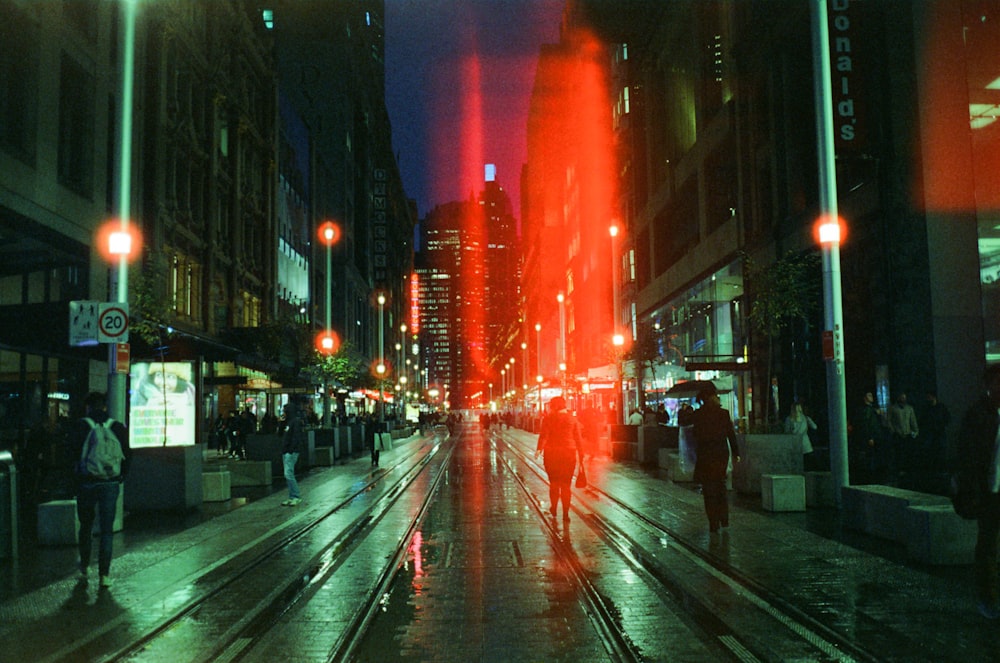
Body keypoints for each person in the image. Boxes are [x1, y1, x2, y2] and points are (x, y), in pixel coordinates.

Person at [72, 392, 130, 587]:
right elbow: (127, 455)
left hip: (86, 483)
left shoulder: (80, 426)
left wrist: (75, 479)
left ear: (88, 407)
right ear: (105, 406)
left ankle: (84, 568)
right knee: (106, 530)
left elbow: (71, 455)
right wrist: (121, 476)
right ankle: (104, 575)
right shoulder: (117, 427)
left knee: (86, 526)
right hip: (110, 483)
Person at [956, 365, 1000, 618]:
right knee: (988, 547)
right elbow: (967, 455)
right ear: (988, 385)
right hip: (990, 492)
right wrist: (970, 489)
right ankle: (988, 599)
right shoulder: (978, 415)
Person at [682, 385, 740, 533]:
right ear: (712, 397)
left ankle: (713, 523)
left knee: (709, 490)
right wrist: (736, 453)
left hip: (705, 455)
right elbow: (730, 435)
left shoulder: (699, 414)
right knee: (720, 487)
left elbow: (693, 434)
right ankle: (724, 519)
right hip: (720, 454)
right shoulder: (723, 414)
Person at [535, 396, 583, 523]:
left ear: (554, 406)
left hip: (552, 454)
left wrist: (539, 449)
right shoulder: (572, 419)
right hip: (569, 454)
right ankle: (566, 514)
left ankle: (554, 508)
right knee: (566, 485)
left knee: (554, 483)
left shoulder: (548, 418)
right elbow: (578, 438)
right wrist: (581, 455)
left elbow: (543, 435)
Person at [852, 391, 885, 483]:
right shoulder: (867, 410)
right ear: (864, 398)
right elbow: (867, 424)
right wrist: (870, 437)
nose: (872, 397)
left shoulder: (869, 410)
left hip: (874, 437)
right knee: (871, 458)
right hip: (872, 438)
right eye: (869, 395)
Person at [886, 392, 919, 482]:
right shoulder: (892, 408)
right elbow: (889, 421)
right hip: (898, 435)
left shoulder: (909, 408)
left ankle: (907, 471)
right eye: (901, 397)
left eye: (904, 397)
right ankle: (899, 472)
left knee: (907, 454)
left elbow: (913, 421)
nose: (903, 399)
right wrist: (893, 432)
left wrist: (915, 432)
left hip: (907, 435)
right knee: (898, 454)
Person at [280, 401, 305, 506]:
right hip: (286, 451)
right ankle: (292, 496)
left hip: (291, 451)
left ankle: (296, 496)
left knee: (288, 474)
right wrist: (281, 422)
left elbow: (296, 437)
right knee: (288, 474)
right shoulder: (288, 422)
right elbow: (280, 434)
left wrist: (291, 449)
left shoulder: (295, 422)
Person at [920, 391, 951, 468]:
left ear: (933, 397)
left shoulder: (940, 407)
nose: (927, 398)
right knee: (933, 451)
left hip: (939, 433)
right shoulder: (928, 409)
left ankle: (941, 467)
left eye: (929, 396)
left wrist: (941, 426)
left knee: (941, 451)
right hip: (932, 434)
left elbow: (947, 418)